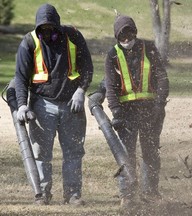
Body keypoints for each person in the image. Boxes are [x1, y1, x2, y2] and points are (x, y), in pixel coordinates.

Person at [14, 3, 93, 205]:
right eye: (43, 30)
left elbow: (87, 67)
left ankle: (73, 195)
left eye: (51, 29)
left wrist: (81, 91)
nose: (48, 34)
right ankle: (42, 194)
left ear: (58, 27)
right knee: (41, 153)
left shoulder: (74, 37)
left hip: (71, 104)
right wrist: (22, 105)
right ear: (37, 29)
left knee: (74, 152)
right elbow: (21, 78)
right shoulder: (29, 42)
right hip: (42, 105)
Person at [104, 15, 169, 209]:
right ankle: (127, 195)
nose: (126, 38)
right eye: (122, 35)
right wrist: (116, 112)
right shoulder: (112, 55)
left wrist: (159, 105)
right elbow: (110, 86)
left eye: (129, 33)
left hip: (151, 110)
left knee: (150, 153)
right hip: (126, 113)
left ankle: (151, 192)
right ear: (117, 36)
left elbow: (162, 78)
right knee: (126, 155)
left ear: (135, 32)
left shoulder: (149, 48)